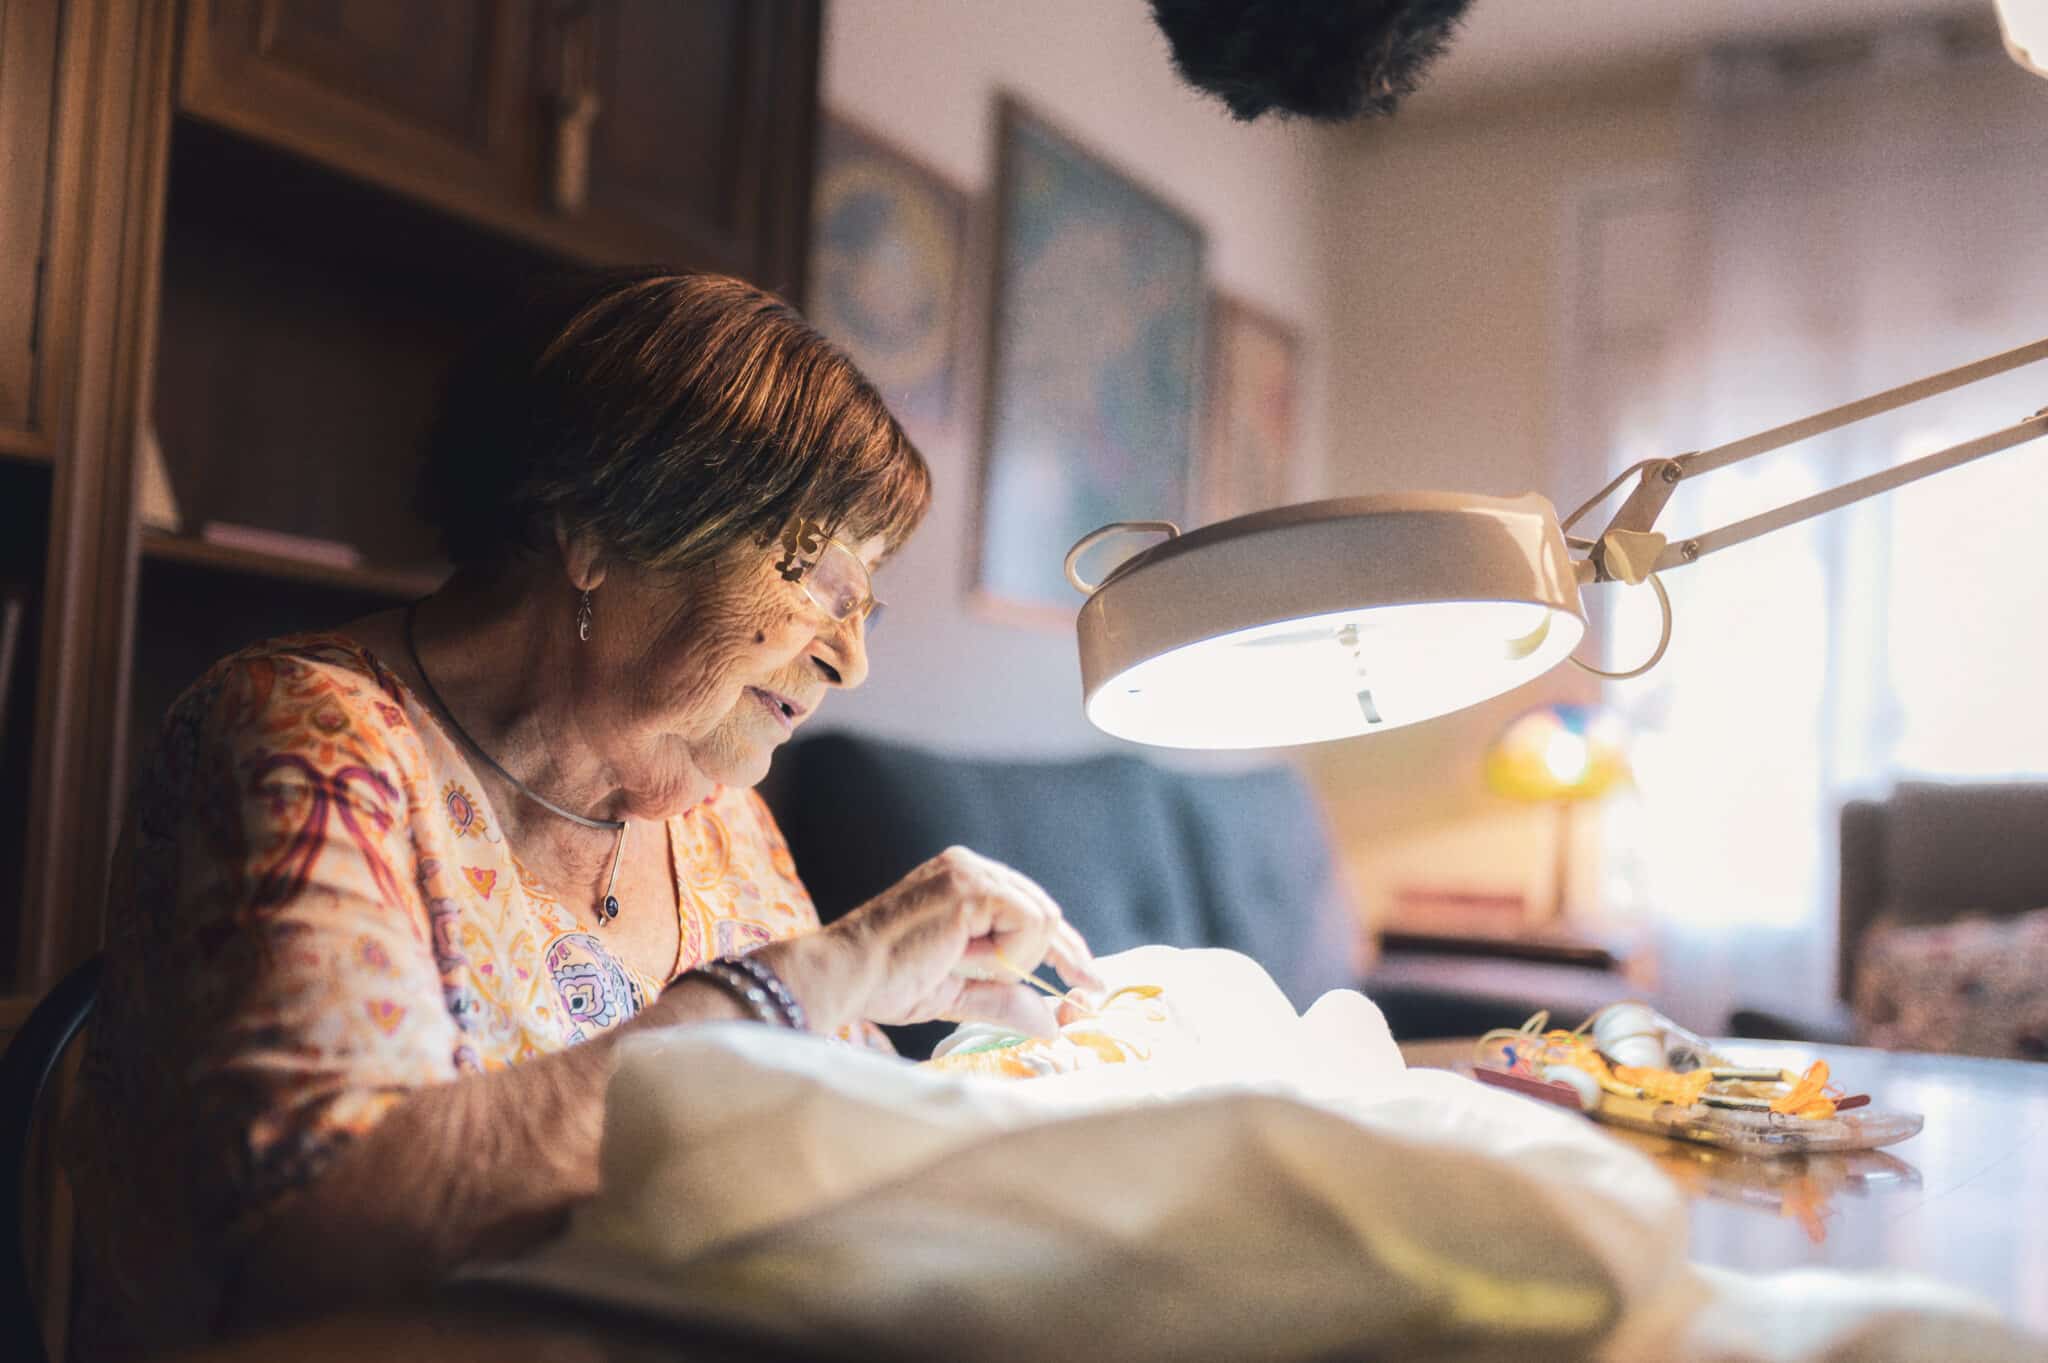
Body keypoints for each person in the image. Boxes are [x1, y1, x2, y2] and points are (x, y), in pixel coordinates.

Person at [63, 270, 1100, 1361]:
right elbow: (318, 1233)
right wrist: (808, 978)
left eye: (865, 603)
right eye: (817, 581)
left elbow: (822, 1145)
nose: (850, 656)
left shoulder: (713, 815)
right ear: (594, 529)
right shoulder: (314, 739)